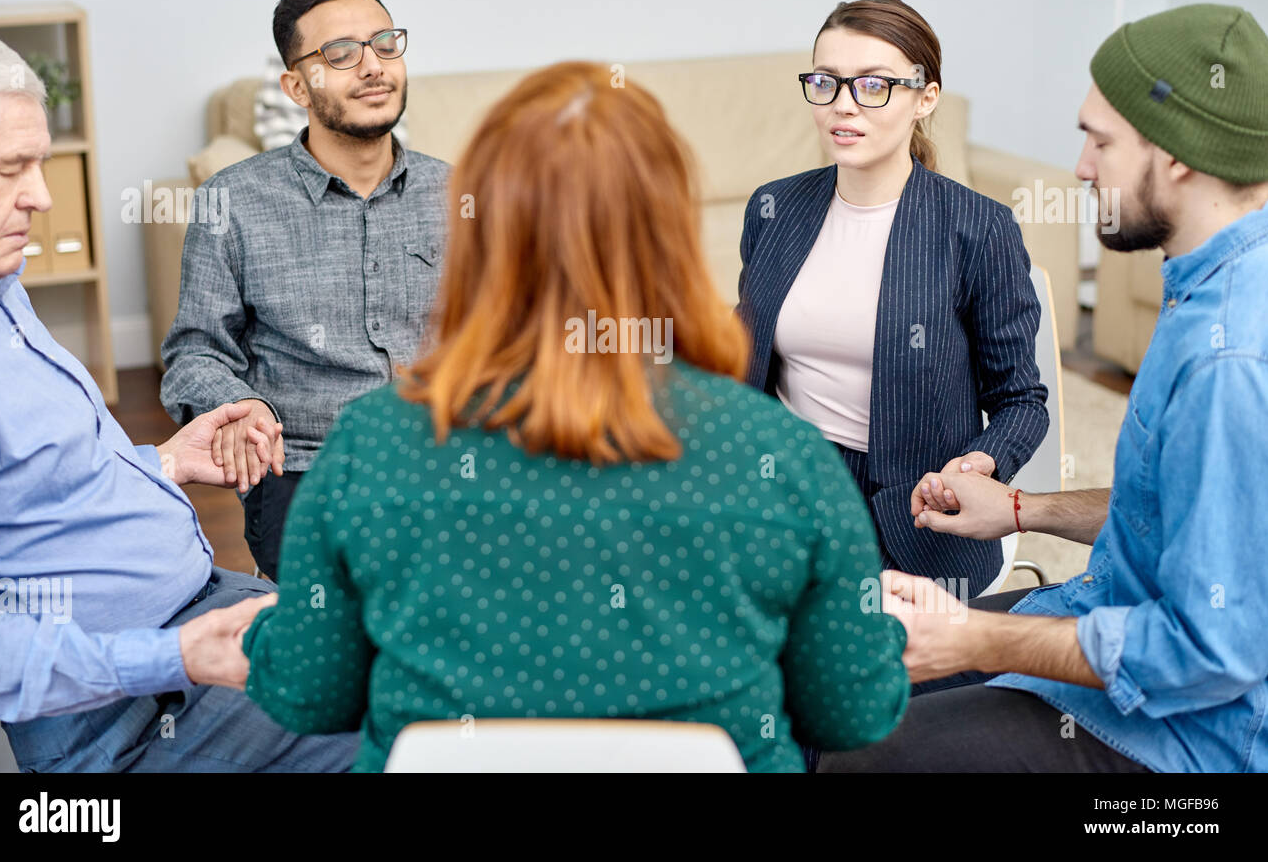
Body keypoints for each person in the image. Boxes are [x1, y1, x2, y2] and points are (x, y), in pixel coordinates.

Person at [240, 61, 910, 772]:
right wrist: (878, 632)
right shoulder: (784, 455)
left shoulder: (370, 443)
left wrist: (262, 635)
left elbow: (308, 694)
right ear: (671, 235)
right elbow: (852, 711)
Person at [820, 3, 1268, 773]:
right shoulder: (1209, 281)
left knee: (863, 754)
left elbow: (1212, 650)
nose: (1081, 167)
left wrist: (976, 637)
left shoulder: (1229, 357)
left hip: (1188, 739)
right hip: (1108, 613)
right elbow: (1183, 510)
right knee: (844, 677)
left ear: (1179, 156)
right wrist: (1022, 509)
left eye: (1100, 140)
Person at [0, 31, 356, 771]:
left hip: (195, 616)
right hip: (136, 715)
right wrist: (173, 655)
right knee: (408, 719)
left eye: (40, 163)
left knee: (433, 645)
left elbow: (40, 486)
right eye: (10, 168)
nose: (43, 196)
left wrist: (163, 462)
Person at [736, 0, 1048, 593]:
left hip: (915, 514)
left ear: (925, 98)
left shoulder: (978, 227)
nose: (842, 106)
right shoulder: (773, 208)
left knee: (883, 674)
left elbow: (1021, 400)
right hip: (786, 492)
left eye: (873, 85)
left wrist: (980, 464)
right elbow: (744, 356)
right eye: (826, 82)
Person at [161, 0, 450, 580]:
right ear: (297, 85)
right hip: (310, 470)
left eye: (384, 44)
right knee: (331, 658)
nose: (372, 66)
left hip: (448, 461)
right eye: (341, 53)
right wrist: (239, 405)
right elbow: (194, 354)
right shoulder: (234, 201)